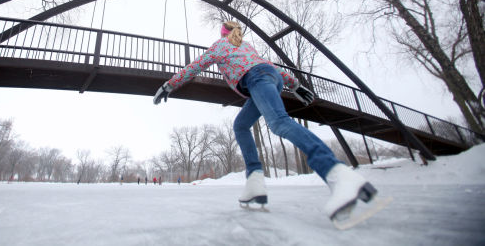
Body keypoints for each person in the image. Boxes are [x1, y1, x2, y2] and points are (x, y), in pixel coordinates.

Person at [153, 21, 377, 220]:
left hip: (256, 79)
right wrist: (294, 85)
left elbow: (196, 66)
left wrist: (169, 85)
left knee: (279, 122)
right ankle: (255, 182)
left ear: (223, 34)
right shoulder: (245, 46)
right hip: (266, 77)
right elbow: (271, 67)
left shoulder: (220, 45)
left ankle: (336, 174)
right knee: (241, 125)